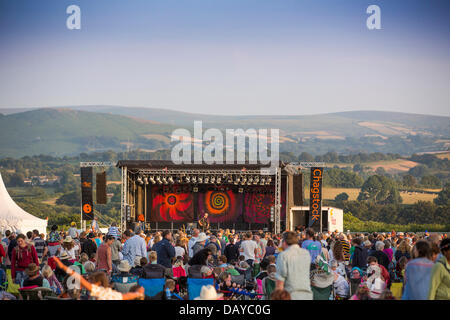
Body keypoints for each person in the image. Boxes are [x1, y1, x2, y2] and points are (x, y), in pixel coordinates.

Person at [53, 257, 145, 300]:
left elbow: (80, 280)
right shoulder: (108, 293)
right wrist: (137, 293)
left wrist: (63, 267)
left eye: (91, 280)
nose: (89, 282)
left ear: (98, 283)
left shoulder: (99, 292)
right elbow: (126, 296)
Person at [275, 231, 312, 300]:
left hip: (291, 294)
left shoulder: (283, 255)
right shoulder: (306, 253)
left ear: (284, 242)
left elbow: (280, 281)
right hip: (307, 293)